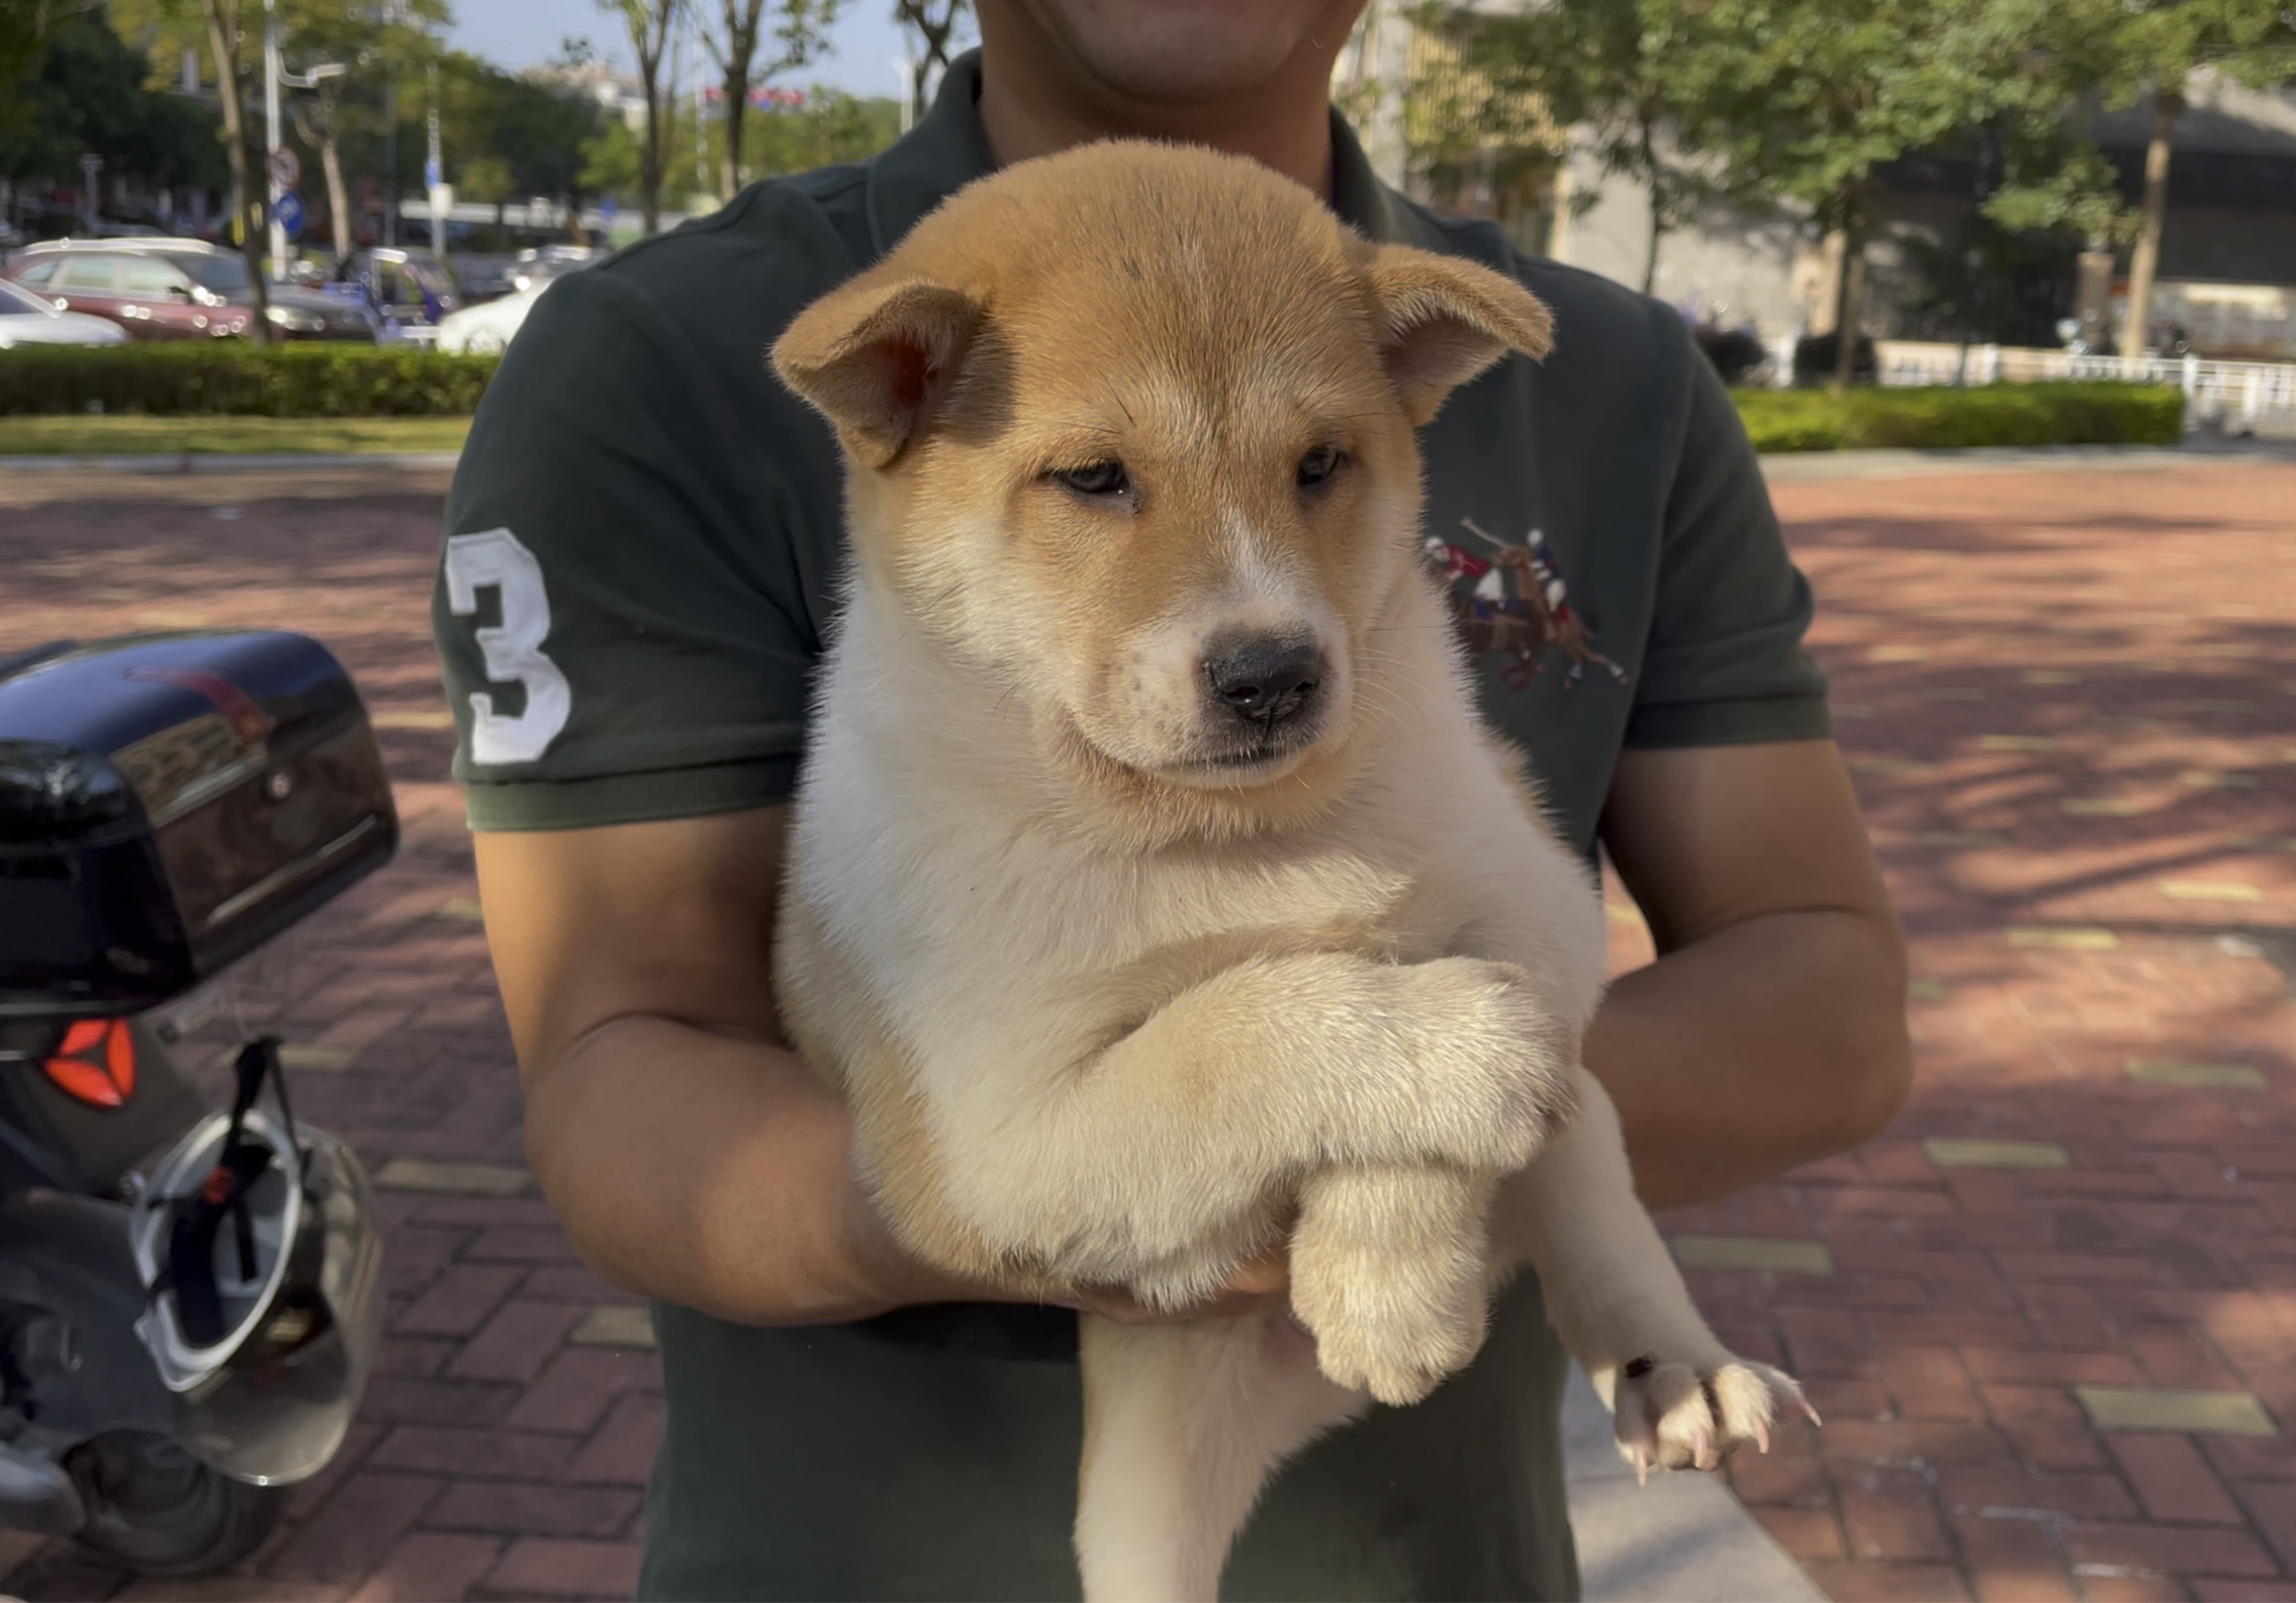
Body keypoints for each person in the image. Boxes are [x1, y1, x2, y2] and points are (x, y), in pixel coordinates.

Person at [431, 3, 1911, 1596]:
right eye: (1096, 481)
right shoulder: (657, 360)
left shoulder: (1609, 372)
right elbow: (615, 1071)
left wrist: (1415, 1127)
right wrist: (1042, 1171)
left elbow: (1822, 995)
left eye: (1317, 471)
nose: (1257, 612)